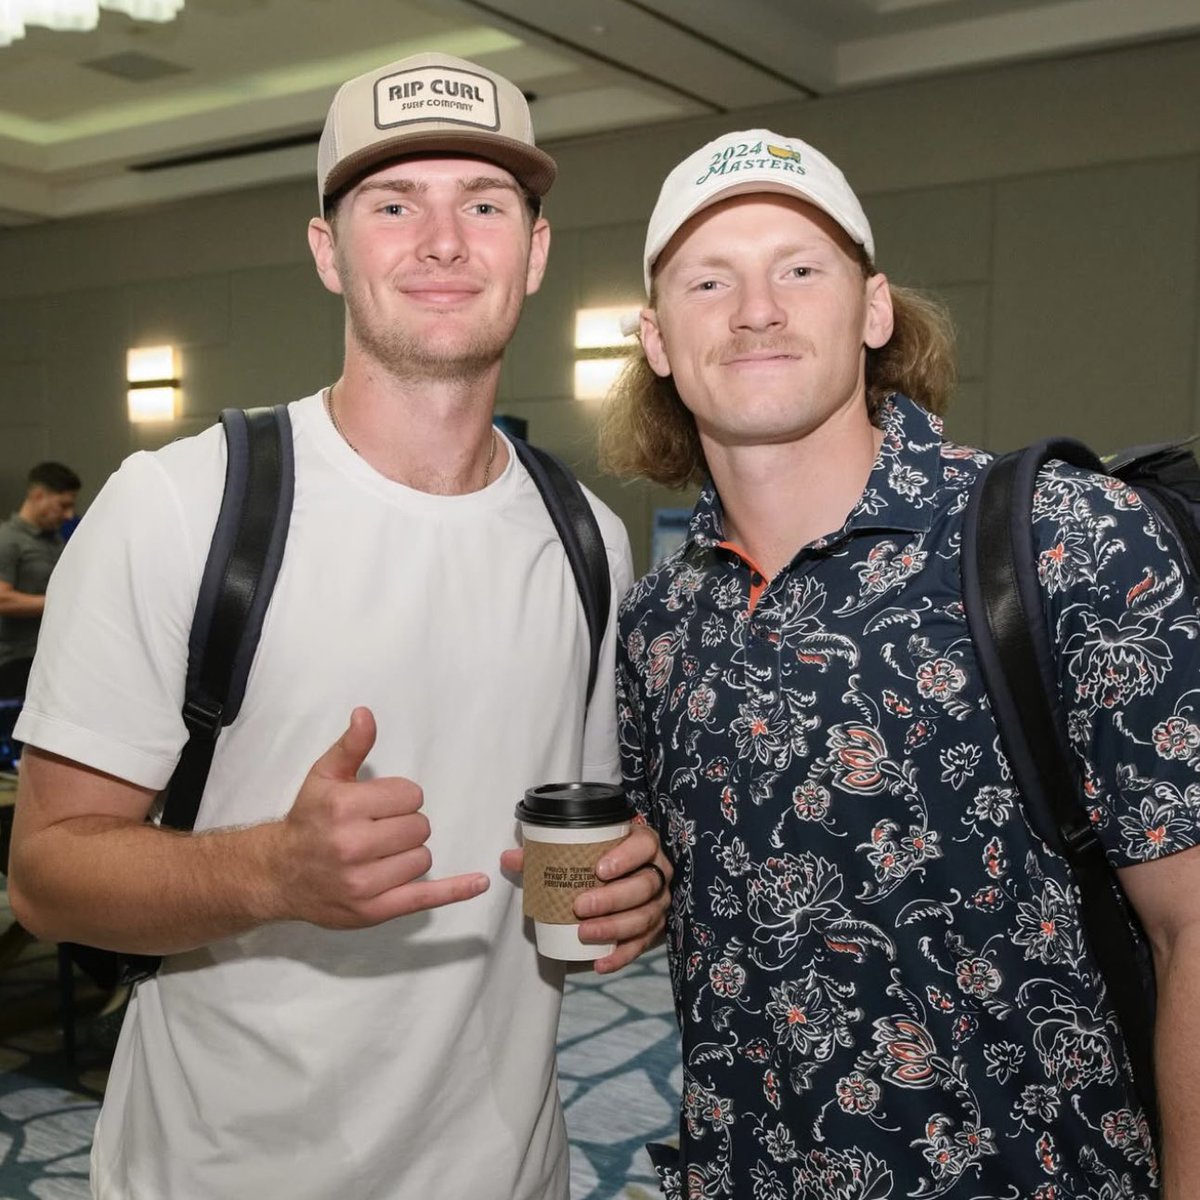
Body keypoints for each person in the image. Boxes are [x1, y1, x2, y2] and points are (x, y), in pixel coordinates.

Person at [8, 51, 671, 1200]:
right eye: (393, 201)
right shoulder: (183, 504)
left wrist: (629, 889)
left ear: (537, 251)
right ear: (328, 250)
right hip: (218, 1174)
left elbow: (578, 843)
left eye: (486, 203)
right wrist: (269, 868)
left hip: (507, 1173)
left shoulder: (589, 543)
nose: (444, 239)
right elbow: (49, 879)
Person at [601, 127, 1200, 1200]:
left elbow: (1191, 918)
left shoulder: (1064, 539)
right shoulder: (659, 621)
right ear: (654, 339)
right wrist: (630, 893)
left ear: (873, 310)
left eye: (799, 268)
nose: (756, 309)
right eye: (709, 280)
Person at [0, 460, 80, 698]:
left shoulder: (54, 539)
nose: (68, 515)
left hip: (48, 654)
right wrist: (61, 601)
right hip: (15, 661)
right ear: (38, 496)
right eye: (63, 505)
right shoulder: (7, 540)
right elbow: (2, 599)